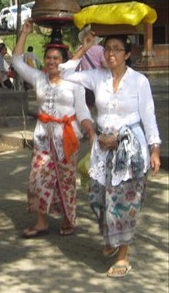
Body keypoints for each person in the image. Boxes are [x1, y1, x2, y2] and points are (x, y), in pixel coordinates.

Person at [59, 32, 161, 277]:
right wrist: (84, 49)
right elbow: (63, 74)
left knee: (124, 204)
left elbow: (149, 116)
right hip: (102, 149)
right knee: (97, 197)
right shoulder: (97, 77)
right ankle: (111, 237)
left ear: (127, 54)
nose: (110, 53)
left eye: (116, 49)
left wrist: (154, 148)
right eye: (106, 49)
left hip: (130, 150)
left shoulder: (139, 81)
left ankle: (123, 256)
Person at [12, 19, 95, 238]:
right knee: (38, 177)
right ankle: (41, 222)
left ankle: (69, 219)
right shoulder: (39, 78)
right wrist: (24, 33)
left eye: (56, 59)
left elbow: (83, 110)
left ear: (64, 62)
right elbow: (17, 61)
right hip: (43, 138)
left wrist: (89, 129)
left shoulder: (74, 83)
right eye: (48, 57)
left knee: (66, 181)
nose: (51, 62)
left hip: (67, 138)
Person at [76, 27, 106, 108]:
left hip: (85, 81)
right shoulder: (100, 49)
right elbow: (105, 65)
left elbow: (76, 66)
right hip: (98, 81)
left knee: (87, 106)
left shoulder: (80, 49)